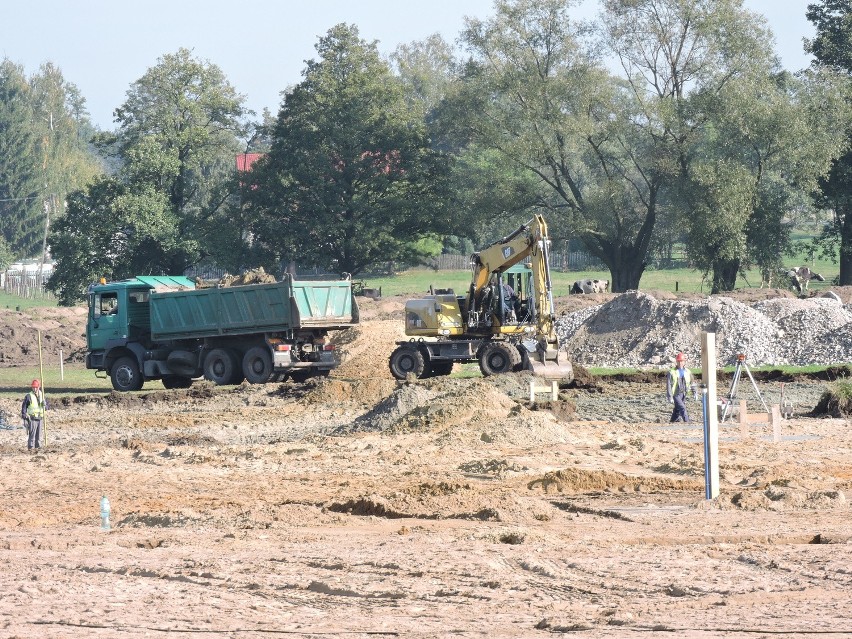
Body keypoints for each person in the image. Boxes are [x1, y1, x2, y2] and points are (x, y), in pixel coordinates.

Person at [666, 352, 693, 423]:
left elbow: (692, 382)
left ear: (684, 362)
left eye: (681, 361)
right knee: (682, 407)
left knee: (677, 409)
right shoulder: (671, 372)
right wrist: (670, 396)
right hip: (676, 393)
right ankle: (687, 422)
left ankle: (672, 421)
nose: (680, 363)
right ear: (676, 362)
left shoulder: (687, 371)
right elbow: (668, 385)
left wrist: (694, 391)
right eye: (679, 361)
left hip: (683, 393)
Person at [21, 379, 47, 451]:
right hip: (32, 419)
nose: (34, 388)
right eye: (33, 387)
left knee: (38, 436)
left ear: (39, 387)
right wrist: (24, 416)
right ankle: (31, 449)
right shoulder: (29, 396)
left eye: (36, 387)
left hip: (40, 418)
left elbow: (46, 407)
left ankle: (38, 448)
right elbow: (24, 407)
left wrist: (45, 405)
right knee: (32, 436)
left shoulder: (42, 394)